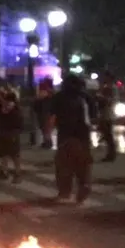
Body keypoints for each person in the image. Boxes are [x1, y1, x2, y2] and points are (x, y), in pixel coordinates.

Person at [46, 74, 97, 203]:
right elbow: (93, 118)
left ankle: (65, 191)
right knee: (83, 166)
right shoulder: (86, 97)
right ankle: (83, 188)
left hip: (65, 136)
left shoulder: (59, 97)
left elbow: (52, 117)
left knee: (64, 165)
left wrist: (48, 134)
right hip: (82, 137)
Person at [0, 88, 24, 183]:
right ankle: (6, 172)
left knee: (12, 155)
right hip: (5, 134)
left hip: (10, 134)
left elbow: (19, 125)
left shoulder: (13, 111)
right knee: (5, 154)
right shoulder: (4, 108)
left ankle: (15, 174)